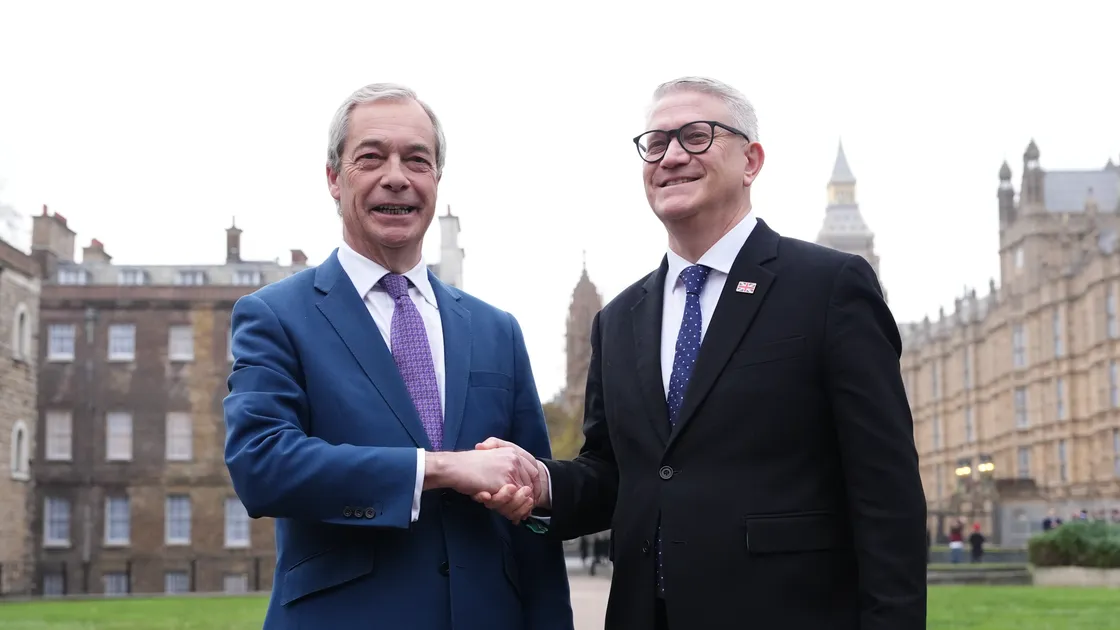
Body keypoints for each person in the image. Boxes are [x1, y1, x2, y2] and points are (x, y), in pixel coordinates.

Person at [475, 76, 927, 629]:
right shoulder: (618, 320)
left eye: (696, 136)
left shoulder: (829, 287)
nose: (671, 157)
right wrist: (543, 484)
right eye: (656, 143)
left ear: (751, 160)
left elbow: (888, 493)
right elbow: (617, 474)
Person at [223, 82, 572, 630]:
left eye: (417, 160)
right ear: (334, 179)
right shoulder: (275, 315)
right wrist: (442, 469)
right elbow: (261, 466)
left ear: (435, 180)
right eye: (371, 157)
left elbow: (531, 512)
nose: (396, 176)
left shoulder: (496, 329)